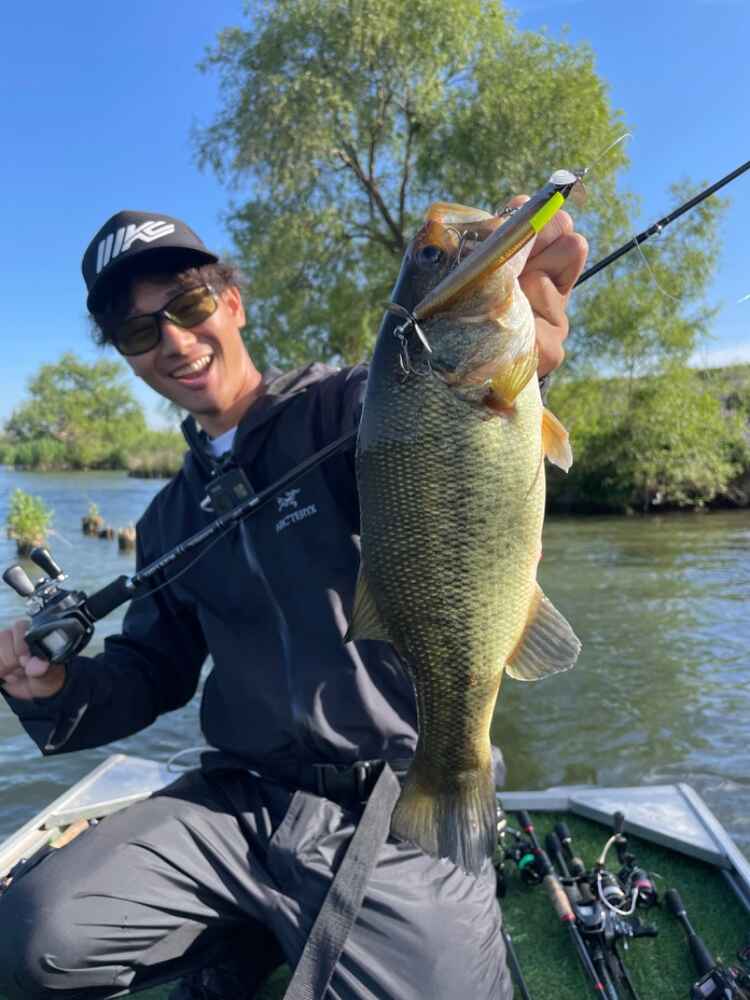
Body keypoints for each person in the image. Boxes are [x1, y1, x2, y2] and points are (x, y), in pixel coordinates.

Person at [0, 202, 588, 1000]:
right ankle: (248, 927)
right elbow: (153, 670)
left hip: (392, 797)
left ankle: (286, 915)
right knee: (35, 936)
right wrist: (55, 691)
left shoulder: (346, 409)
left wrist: (524, 358)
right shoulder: (169, 514)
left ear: (231, 304)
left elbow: (445, 426)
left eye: (188, 306)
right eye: (139, 332)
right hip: (238, 806)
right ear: (128, 357)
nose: (173, 340)